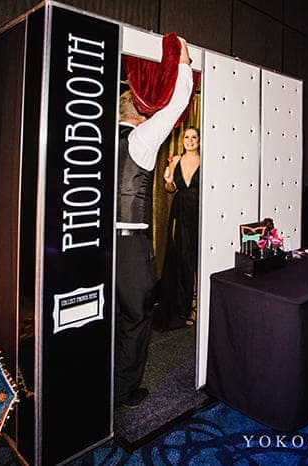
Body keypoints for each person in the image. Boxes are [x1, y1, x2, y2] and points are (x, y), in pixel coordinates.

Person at [115, 36, 193, 409]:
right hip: (130, 246)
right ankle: (124, 391)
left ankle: (105, 379)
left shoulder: (99, 139)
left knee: (111, 316)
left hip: (96, 243)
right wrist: (184, 63)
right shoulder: (140, 138)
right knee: (135, 317)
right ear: (143, 114)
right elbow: (177, 104)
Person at [154, 126, 200, 331]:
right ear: (183, 140)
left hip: (199, 211)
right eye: (187, 137)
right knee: (180, 257)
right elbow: (170, 189)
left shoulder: (206, 160)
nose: (190, 140)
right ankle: (183, 306)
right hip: (180, 211)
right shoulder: (175, 161)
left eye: (194, 137)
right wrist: (168, 181)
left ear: (199, 140)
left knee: (195, 257)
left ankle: (196, 304)